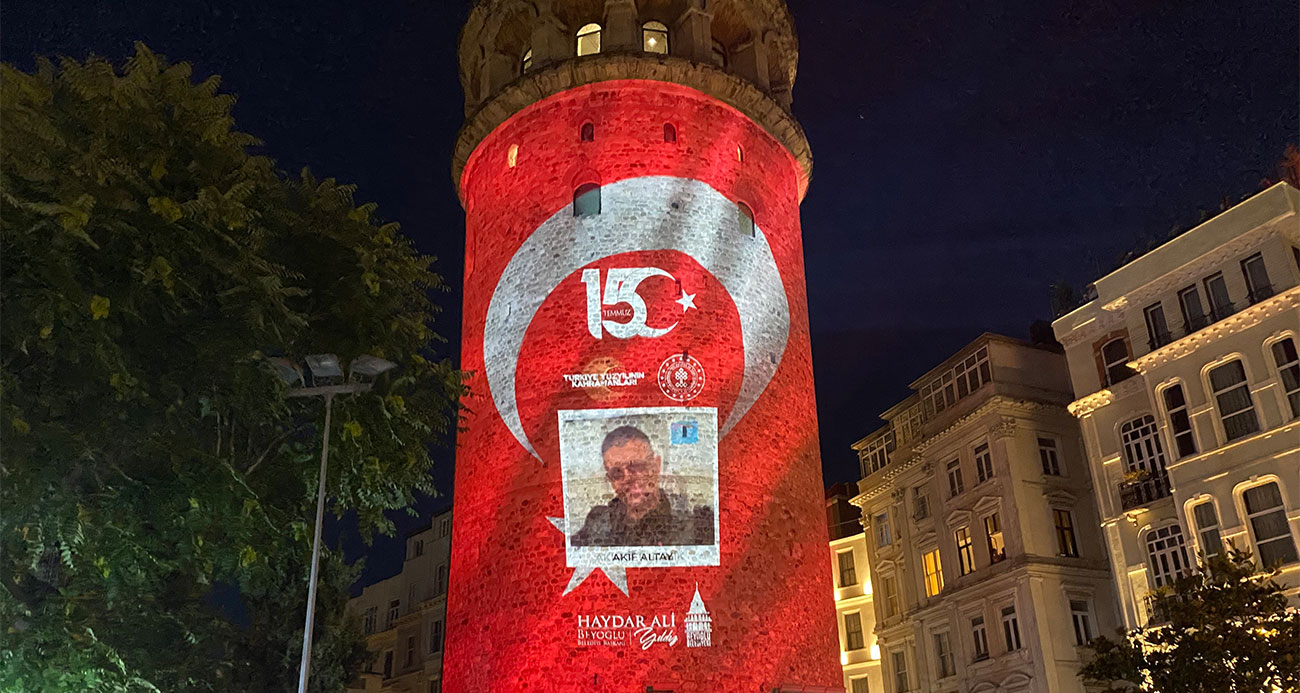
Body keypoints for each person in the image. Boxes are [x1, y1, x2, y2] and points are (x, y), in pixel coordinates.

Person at [570, 425, 714, 547]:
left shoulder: (698, 525)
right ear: (610, 480)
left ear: (656, 466)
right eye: (617, 473)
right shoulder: (598, 524)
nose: (628, 478)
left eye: (637, 466)